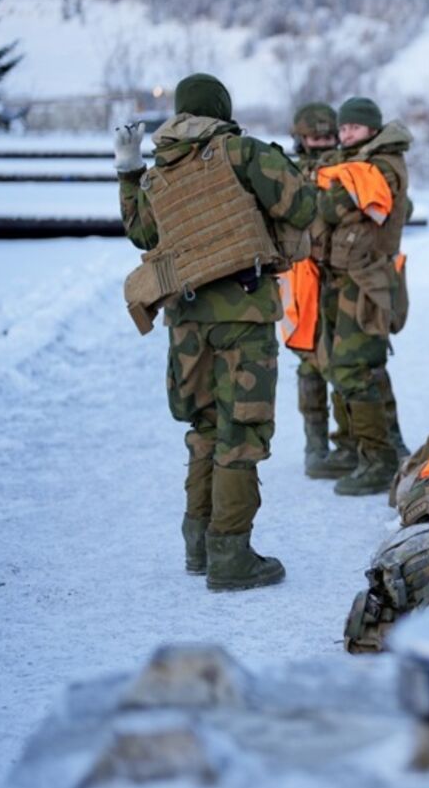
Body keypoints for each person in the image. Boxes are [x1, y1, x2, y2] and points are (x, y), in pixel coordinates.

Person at [115, 73, 316, 591]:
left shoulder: (161, 170)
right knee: (241, 432)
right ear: (222, 110)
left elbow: (142, 233)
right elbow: (302, 206)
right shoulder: (242, 152)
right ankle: (231, 555)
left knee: (204, 428)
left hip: (185, 321)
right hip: (243, 314)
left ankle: (198, 544)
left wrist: (129, 172)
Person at [311, 96, 413, 495]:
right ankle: (361, 446)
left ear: (372, 128)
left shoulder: (382, 164)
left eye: (353, 127)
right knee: (347, 364)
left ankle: (379, 461)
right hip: (341, 276)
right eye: (343, 128)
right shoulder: (351, 163)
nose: (345, 133)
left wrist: (327, 194)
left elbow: (330, 204)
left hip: (366, 279)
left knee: (355, 366)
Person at [280, 102, 354, 479]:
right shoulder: (287, 173)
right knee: (309, 362)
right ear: (301, 139)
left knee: (346, 362)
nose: (323, 144)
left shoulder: (351, 170)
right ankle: (315, 444)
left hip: (343, 279)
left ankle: (349, 444)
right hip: (302, 280)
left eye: (329, 137)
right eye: (315, 138)